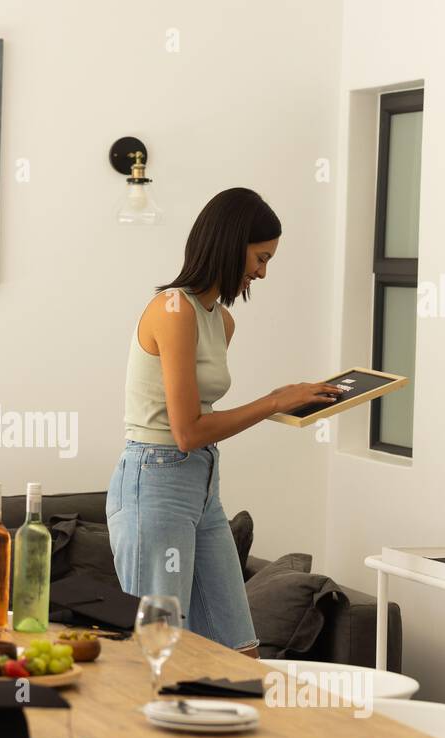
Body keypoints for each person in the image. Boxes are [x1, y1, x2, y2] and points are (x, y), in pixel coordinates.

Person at [107, 187, 341, 653]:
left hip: (203, 484)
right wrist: (274, 401)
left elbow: (205, 425)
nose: (262, 271)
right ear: (232, 244)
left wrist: (291, 405)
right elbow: (187, 431)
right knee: (158, 651)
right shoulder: (172, 310)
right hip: (155, 480)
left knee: (241, 650)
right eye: (260, 257)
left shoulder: (222, 321)